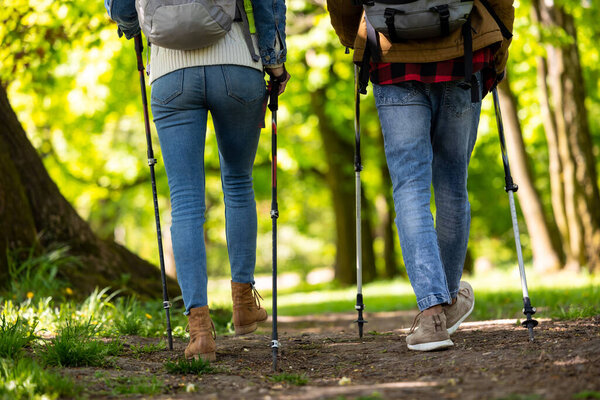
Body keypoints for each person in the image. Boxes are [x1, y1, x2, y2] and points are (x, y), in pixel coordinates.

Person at [106, 0, 290, 360]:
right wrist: (274, 61)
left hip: (169, 73)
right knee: (238, 182)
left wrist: (132, 26)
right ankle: (242, 303)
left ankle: (200, 332)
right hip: (237, 65)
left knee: (185, 201)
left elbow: (121, 7)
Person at [327, 0, 514, 351]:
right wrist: (500, 42)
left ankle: (431, 315)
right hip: (464, 51)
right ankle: (445, 303)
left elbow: (341, 2)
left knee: (410, 188)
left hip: (392, 58)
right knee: (453, 184)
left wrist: (355, 37)